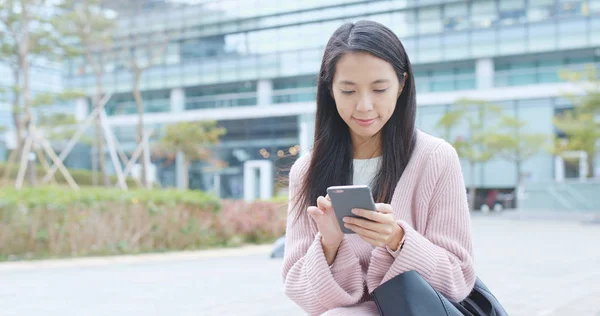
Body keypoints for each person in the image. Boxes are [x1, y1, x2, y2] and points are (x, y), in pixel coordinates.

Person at [282, 20, 476, 315]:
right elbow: (300, 290)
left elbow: (458, 278)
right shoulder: (306, 170)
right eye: (348, 91)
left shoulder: (436, 158)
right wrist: (329, 246)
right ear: (330, 90)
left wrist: (397, 239)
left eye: (379, 89)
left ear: (401, 85)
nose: (364, 106)